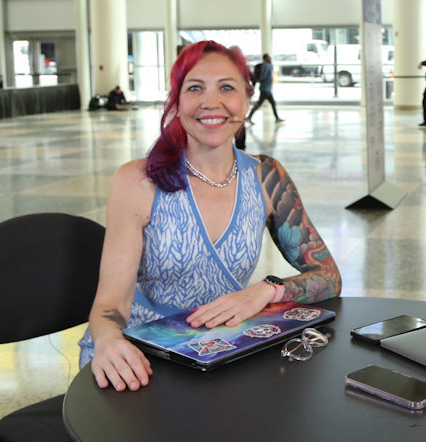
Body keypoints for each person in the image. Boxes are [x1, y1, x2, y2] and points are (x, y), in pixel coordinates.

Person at [79, 41, 341, 392]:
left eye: (227, 87)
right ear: (177, 102)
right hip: (139, 358)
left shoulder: (266, 177)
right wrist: (109, 341)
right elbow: (109, 305)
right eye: (195, 88)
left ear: (246, 101)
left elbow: (328, 276)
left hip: (218, 353)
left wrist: (266, 291)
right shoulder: (139, 181)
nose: (211, 102)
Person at [246, 53, 282, 124]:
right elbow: (263, 75)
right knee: (259, 104)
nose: (270, 58)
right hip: (265, 89)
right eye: (268, 57)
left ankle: (277, 118)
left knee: (272, 103)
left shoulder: (268, 65)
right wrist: (260, 79)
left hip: (267, 89)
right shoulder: (266, 65)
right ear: (265, 58)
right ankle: (249, 117)